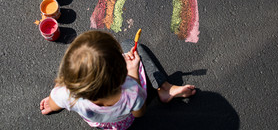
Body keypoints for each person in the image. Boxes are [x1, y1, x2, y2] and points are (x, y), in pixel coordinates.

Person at [40, 30, 196, 129]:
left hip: (103, 123)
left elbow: (54, 102)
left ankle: (164, 89)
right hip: (124, 121)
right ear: (121, 72)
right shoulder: (132, 92)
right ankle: (164, 88)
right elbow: (138, 114)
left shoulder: (67, 94)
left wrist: (52, 103)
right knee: (129, 44)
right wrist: (133, 70)